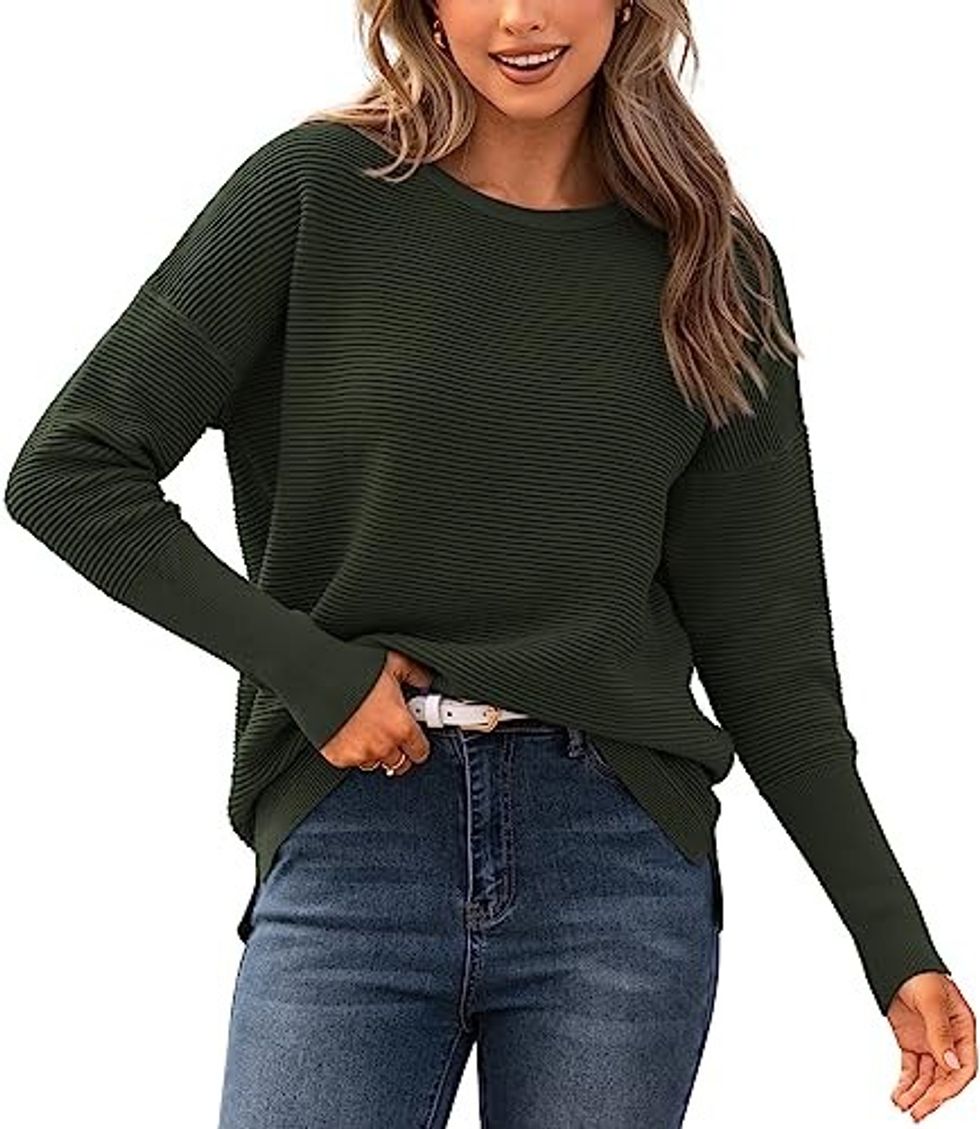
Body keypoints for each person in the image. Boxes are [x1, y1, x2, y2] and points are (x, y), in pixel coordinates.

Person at [5, 2, 974, 1125]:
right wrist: (309, 670)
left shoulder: (713, 265)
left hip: (615, 866)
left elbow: (769, 654)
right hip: (356, 832)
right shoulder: (312, 194)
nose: (520, 17)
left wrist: (893, 941)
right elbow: (71, 471)